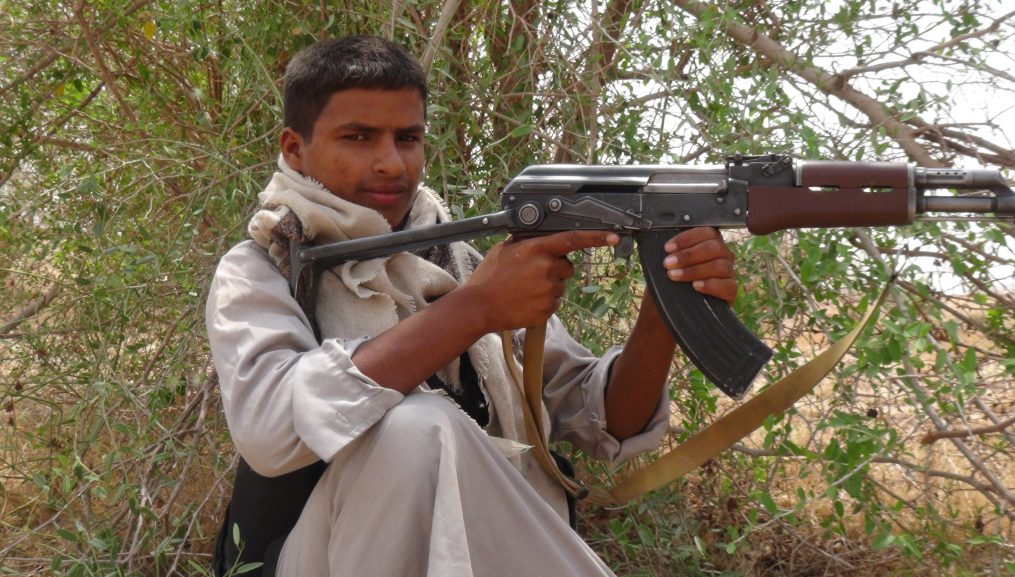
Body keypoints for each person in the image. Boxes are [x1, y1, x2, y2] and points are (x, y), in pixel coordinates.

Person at [205, 35, 738, 577]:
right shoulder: (261, 270)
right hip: (312, 557)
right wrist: (475, 309)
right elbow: (271, 431)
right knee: (418, 431)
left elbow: (608, 421)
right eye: (358, 137)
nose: (390, 163)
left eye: (407, 138)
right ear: (295, 148)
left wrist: (666, 305)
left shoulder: (456, 262)